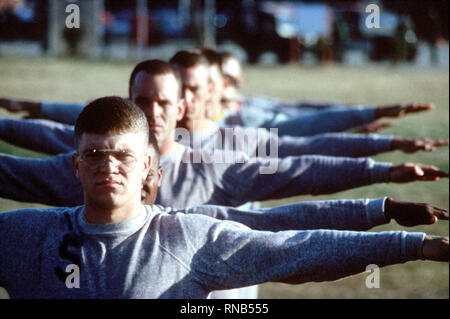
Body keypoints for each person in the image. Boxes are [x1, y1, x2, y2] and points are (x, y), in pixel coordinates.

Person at [0, 96, 448, 299]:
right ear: (75, 165)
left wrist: (392, 219)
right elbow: (50, 130)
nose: (109, 165)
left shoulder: (212, 185)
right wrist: (26, 110)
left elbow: (291, 225)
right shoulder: (26, 235)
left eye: (123, 155)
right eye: (95, 155)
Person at [1, 60, 448, 210]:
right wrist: (25, 107)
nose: (155, 112)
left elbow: (304, 149)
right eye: (143, 100)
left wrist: (383, 150)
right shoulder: (101, 154)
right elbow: (59, 127)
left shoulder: (231, 147)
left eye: (197, 88)